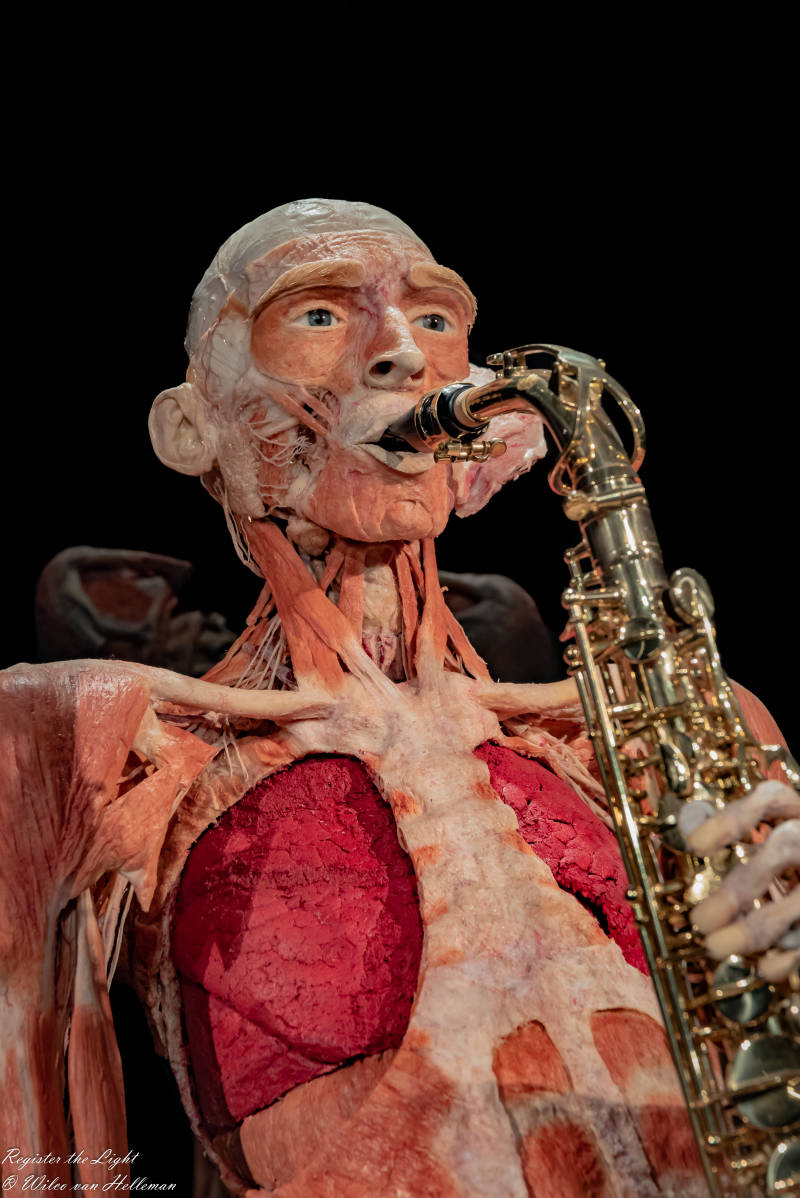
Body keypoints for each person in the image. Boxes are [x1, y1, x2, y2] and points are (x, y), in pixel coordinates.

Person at [2, 199, 796, 1197]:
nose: (402, 355)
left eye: (432, 318)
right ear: (191, 427)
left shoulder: (661, 731)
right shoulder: (93, 739)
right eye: (319, 315)